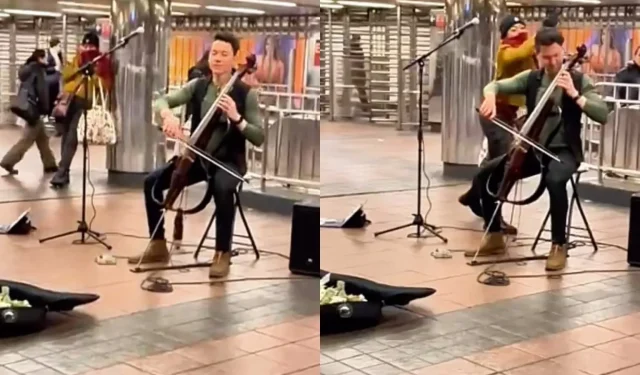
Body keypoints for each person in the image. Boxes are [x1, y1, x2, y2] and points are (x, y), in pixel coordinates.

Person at [127, 32, 265, 278]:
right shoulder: (199, 86)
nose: (218, 58)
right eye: (214, 53)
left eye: (224, 54)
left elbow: (258, 137)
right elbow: (162, 101)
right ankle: (158, 245)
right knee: (152, 182)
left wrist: (237, 118)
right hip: (198, 157)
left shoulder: (246, 94)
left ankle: (222, 253)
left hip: (229, 162)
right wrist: (167, 116)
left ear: (234, 59)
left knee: (223, 188)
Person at [474, 28, 609, 271]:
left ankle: (558, 245)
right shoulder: (531, 79)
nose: (554, 62)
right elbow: (493, 85)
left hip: (564, 151)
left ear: (562, 51)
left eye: (557, 55)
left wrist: (575, 96)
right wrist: (491, 98)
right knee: (486, 173)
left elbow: (602, 114)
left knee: (555, 181)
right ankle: (493, 235)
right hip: (534, 149)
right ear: (537, 56)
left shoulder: (578, 80)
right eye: (546, 57)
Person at [458, 14, 558, 233]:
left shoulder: (530, 54)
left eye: (523, 27)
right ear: (504, 35)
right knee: (502, 164)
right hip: (495, 114)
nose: (520, 30)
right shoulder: (506, 51)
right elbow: (519, 54)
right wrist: (540, 32)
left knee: (495, 162)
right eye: (514, 29)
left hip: (512, 116)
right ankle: (493, 216)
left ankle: (474, 195)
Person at [50, 31, 109, 188]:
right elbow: (66, 75)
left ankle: (61, 173)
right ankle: (64, 172)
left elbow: (104, 85)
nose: (88, 48)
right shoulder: (77, 58)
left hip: (84, 102)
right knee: (65, 136)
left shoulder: (101, 62)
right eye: (85, 44)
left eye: (91, 45)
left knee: (72, 137)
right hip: (69, 99)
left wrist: (93, 72)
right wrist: (78, 63)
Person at [0, 49, 57, 175]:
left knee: (43, 139)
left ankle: (50, 164)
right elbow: (42, 91)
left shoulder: (27, 69)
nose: (47, 60)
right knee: (26, 140)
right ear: (40, 58)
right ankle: (8, 161)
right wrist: (45, 108)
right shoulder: (38, 70)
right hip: (35, 110)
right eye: (45, 57)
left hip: (29, 107)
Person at [45, 37, 64, 113]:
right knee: (48, 98)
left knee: (55, 98)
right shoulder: (47, 55)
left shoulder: (59, 55)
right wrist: (54, 69)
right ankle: (46, 114)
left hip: (56, 80)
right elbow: (44, 68)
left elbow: (61, 65)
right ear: (55, 46)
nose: (60, 47)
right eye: (59, 45)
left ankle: (51, 114)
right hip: (49, 80)